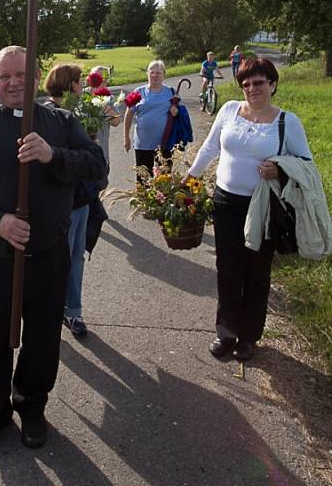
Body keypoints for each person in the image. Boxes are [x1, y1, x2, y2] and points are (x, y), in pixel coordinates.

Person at [0, 46, 106, 452]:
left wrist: (53, 155)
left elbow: (96, 166)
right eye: (5, 77)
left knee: (42, 338)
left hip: (49, 253)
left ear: (34, 76)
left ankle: (31, 407)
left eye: (21, 74)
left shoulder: (62, 123)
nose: (14, 82)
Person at [187, 57, 312, 362]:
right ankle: (226, 332)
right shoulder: (229, 110)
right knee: (228, 270)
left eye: (258, 82)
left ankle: (249, 338)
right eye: (246, 84)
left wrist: (280, 171)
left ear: (272, 84)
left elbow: (306, 165)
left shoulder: (287, 122)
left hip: (265, 208)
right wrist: (189, 178)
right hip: (226, 203)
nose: (252, 88)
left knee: (256, 272)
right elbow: (210, 147)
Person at [44, 63, 110, 338]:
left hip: (82, 197)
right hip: (60, 201)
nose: (83, 85)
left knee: (76, 257)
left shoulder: (83, 110)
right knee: (57, 259)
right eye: (80, 81)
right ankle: (48, 310)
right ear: (70, 84)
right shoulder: (47, 114)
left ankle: (73, 311)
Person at [123, 60, 178, 175]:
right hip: (143, 143)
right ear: (147, 74)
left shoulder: (171, 92)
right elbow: (128, 115)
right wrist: (126, 137)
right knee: (143, 179)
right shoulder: (138, 92)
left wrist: (176, 111)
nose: (155, 75)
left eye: (158, 73)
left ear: (164, 75)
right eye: (152, 72)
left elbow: (180, 114)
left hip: (165, 143)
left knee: (164, 179)